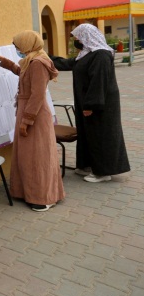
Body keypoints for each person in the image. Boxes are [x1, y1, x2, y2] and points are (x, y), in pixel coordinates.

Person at [0, 31, 65, 212]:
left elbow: (37, 95)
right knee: (28, 156)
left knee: (38, 157)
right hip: (29, 112)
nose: (16, 49)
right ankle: (29, 192)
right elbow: (23, 75)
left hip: (35, 115)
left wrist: (26, 121)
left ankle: (45, 197)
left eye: (17, 46)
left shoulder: (38, 63)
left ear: (27, 44)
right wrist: (4, 61)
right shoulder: (32, 61)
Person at [50, 23, 130, 182]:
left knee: (100, 135)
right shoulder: (87, 54)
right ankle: (88, 165)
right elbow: (67, 64)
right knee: (88, 134)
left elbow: (98, 82)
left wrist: (91, 106)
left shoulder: (101, 55)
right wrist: (45, 56)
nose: (76, 39)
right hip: (87, 102)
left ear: (87, 37)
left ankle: (102, 172)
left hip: (99, 105)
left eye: (78, 36)